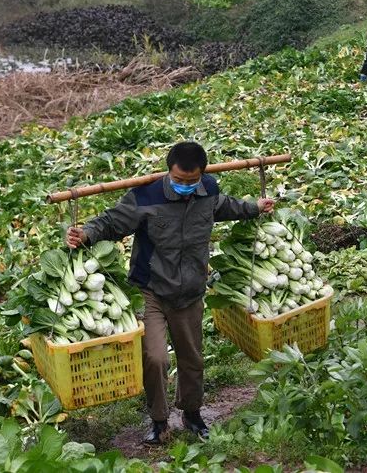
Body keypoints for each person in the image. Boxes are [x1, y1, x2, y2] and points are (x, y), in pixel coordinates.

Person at [66, 142, 275, 445]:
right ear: (169, 172)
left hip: (189, 291)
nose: (185, 186)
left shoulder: (208, 190)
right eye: (178, 180)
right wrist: (85, 233)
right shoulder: (146, 195)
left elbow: (225, 207)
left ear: (202, 175)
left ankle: (192, 414)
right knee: (155, 358)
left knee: (192, 358)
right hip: (150, 289)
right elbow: (113, 222)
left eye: (192, 181)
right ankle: (159, 420)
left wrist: (254, 208)